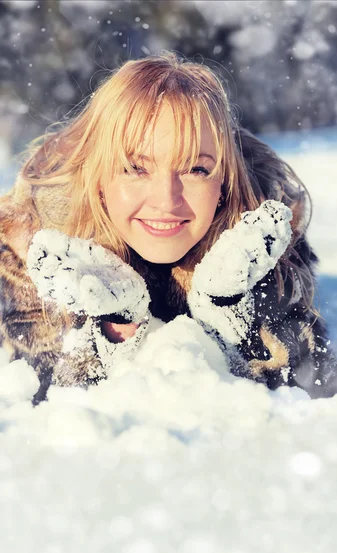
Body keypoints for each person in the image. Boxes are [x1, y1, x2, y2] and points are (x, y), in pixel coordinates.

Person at [0, 51, 336, 405]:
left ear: (224, 183)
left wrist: (229, 316)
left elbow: (309, 394)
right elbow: (34, 404)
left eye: (196, 169)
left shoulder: (264, 233)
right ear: (98, 178)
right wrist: (114, 331)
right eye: (136, 168)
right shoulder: (38, 245)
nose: (166, 199)